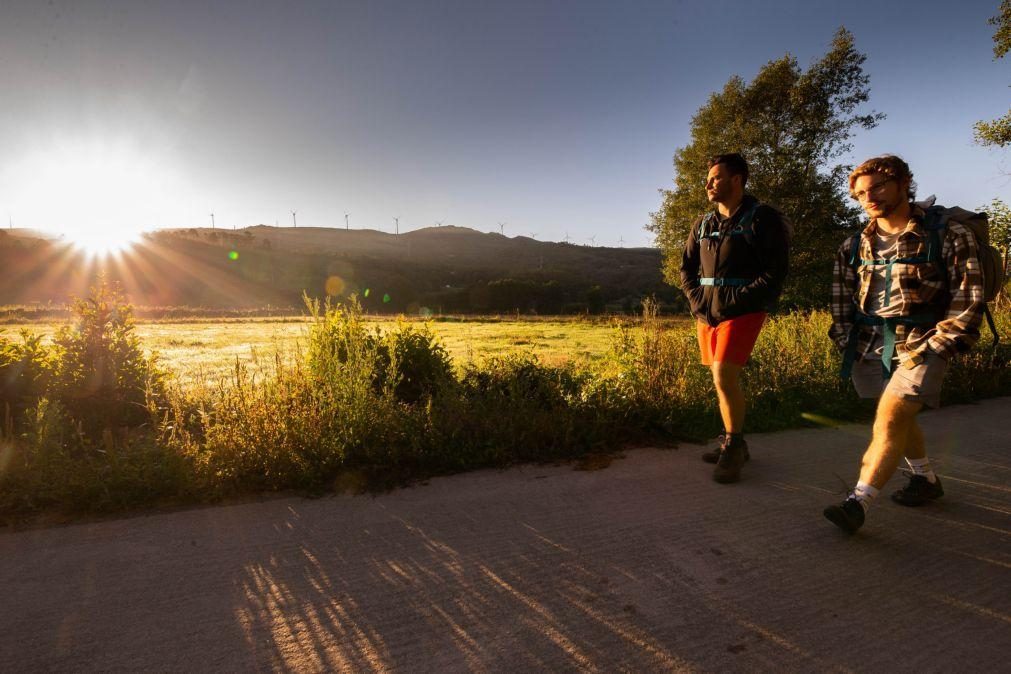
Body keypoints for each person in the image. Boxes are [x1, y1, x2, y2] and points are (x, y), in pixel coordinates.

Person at [824, 155, 985, 533]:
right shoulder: (854, 244)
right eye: (861, 193)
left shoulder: (947, 235)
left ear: (904, 182)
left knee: (890, 417)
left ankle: (858, 502)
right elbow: (840, 297)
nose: (869, 197)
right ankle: (925, 480)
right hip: (869, 344)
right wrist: (845, 336)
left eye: (878, 186)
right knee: (896, 418)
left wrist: (940, 344)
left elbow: (969, 295)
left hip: (924, 341)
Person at [680, 153, 791, 483]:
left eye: (715, 178)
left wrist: (739, 299)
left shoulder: (762, 218)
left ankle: (735, 448)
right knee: (719, 380)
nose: (708, 184)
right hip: (707, 313)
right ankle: (730, 438)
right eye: (708, 179)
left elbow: (776, 271)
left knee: (723, 375)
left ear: (737, 180)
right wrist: (697, 300)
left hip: (742, 310)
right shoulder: (702, 224)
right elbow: (686, 268)